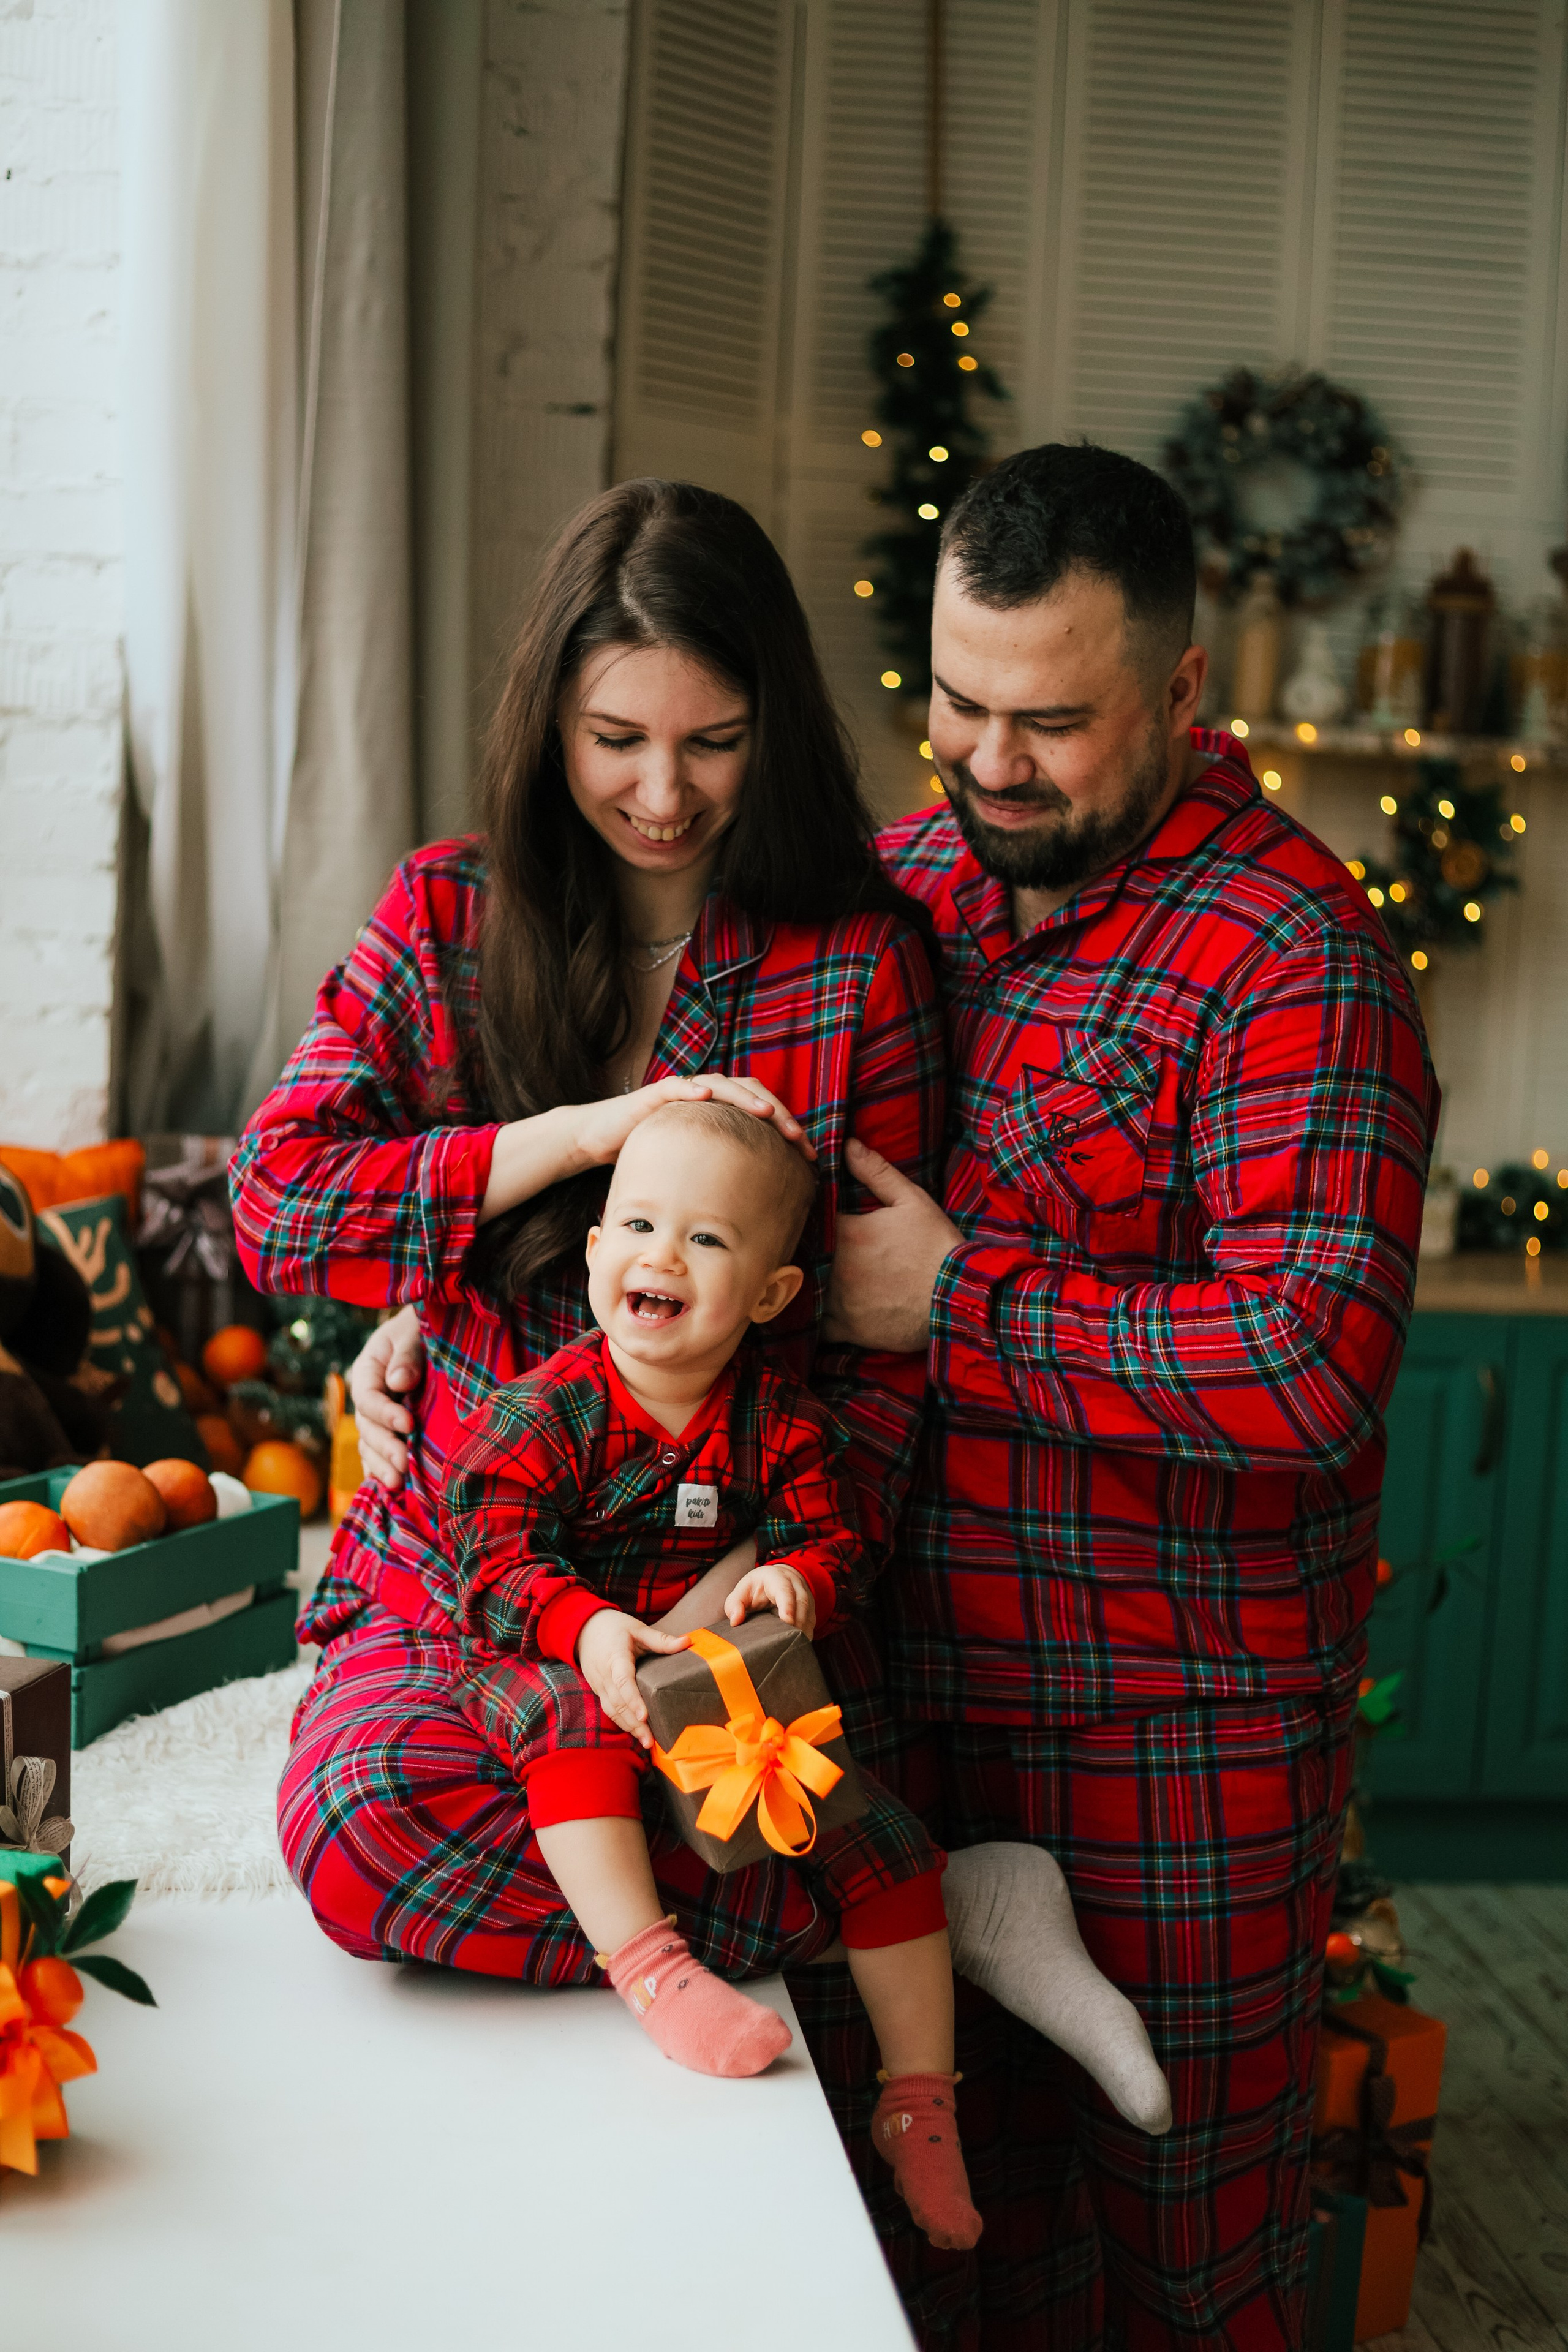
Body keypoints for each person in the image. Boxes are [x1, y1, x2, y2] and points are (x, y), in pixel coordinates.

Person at [821, 443, 1439, 2348]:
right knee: (947, 2247)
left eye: (1053, 722)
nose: (991, 762)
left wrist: (962, 1299)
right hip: (909, 1713)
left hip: (1173, 1749)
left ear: (1181, 694)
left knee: (1184, 2270)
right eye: (957, 703)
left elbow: (1306, 1362)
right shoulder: (904, 881)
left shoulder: (1298, 958)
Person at [231, 477, 948, 2016]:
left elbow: (887, 1361)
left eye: (714, 742)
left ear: (778, 729)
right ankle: (841, 1915)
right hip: (474, 1580)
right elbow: (279, 1202)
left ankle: (744, 1906)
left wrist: (772, 1582)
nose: (664, 795)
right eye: (614, 740)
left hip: (731, 1596)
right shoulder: (445, 914)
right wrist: (560, 1137)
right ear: (547, 721)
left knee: (728, 1785)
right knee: (365, 1837)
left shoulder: (858, 968)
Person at [443, 1098, 982, 2247]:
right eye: (637, 1224)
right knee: (571, 1722)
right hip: (559, 1662)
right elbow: (488, 1557)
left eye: (706, 1239)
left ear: (773, 1295)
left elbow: (839, 1542)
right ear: (595, 1254)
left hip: (716, 1690)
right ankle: (656, 1974)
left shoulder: (783, 1428)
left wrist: (801, 1584)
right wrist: (583, 1625)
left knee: (876, 1834)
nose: (660, 1255)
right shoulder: (546, 1411)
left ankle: (920, 2103)